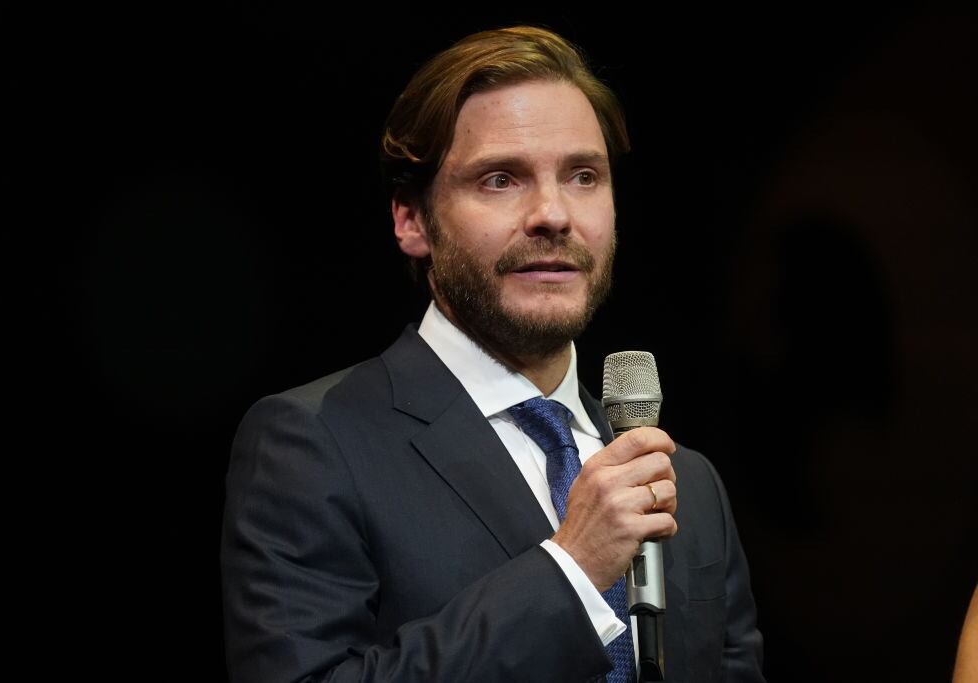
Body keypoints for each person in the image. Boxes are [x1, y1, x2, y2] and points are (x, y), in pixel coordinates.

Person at [221, 26, 765, 682]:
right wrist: (570, 571)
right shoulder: (313, 444)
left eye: (583, 176)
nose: (553, 214)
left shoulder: (689, 484)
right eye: (501, 179)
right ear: (412, 219)